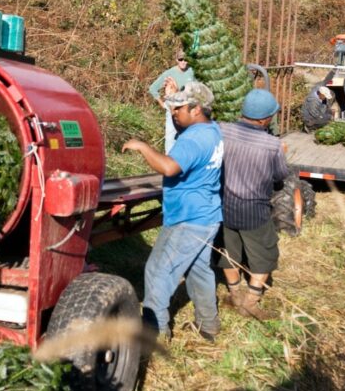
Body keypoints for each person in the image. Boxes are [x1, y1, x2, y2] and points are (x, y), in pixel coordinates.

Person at [123, 82, 223, 341]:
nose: (173, 113)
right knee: (200, 271)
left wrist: (143, 147)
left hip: (188, 219)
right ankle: (209, 326)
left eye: (178, 108)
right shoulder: (213, 131)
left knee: (158, 271)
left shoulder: (194, 138)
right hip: (207, 214)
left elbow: (169, 167)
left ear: (196, 109)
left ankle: (155, 332)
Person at [216, 89, 289, 321]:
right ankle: (250, 302)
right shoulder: (272, 145)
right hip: (254, 211)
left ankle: (234, 293)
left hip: (225, 205)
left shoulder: (223, 131)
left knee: (228, 251)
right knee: (264, 254)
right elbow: (280, 176)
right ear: (264, 119)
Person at [148, 50, 196, 153]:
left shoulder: (192, 72)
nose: (183, 62)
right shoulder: (169, 73)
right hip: (172, 110)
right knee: (170, 137)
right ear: (176, 60)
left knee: (187, 137)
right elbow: (153, 88)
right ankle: (169, 162)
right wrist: (162, 104)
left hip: (187, 110)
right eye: (180, 59)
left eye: (185, 60)